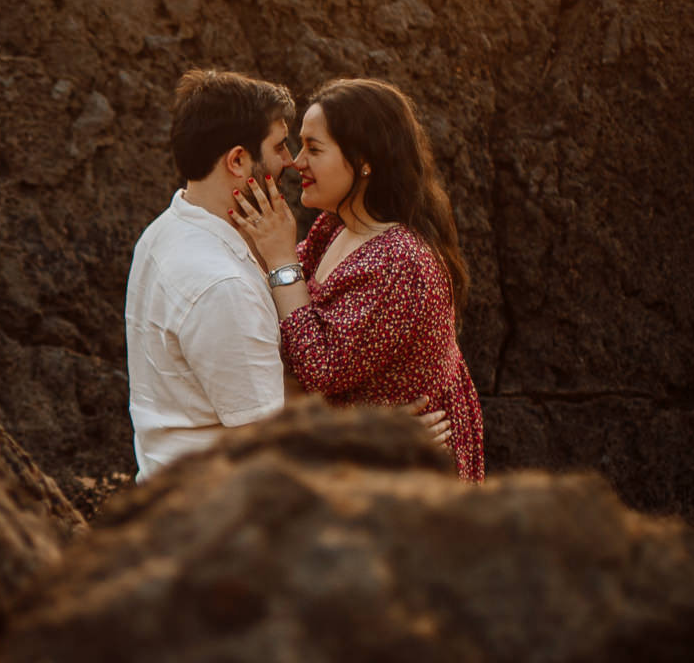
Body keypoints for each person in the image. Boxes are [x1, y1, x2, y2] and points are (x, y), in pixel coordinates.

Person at [230, 77, 486, 481]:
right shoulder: (332, 228)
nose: (297, 163)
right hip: (366, 458)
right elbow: (278, 305)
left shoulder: (400, 261)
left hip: (406, 480)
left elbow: (319, 365)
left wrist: (279, 257)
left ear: (365, 160)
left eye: (314, 149)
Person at [124, 69, 299, 481]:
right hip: (217, 525)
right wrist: (384, 433)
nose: (290, 160)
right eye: (279, 147)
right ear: (237, 160)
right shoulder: (222, 287)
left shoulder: (165, 229)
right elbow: (269, 447)